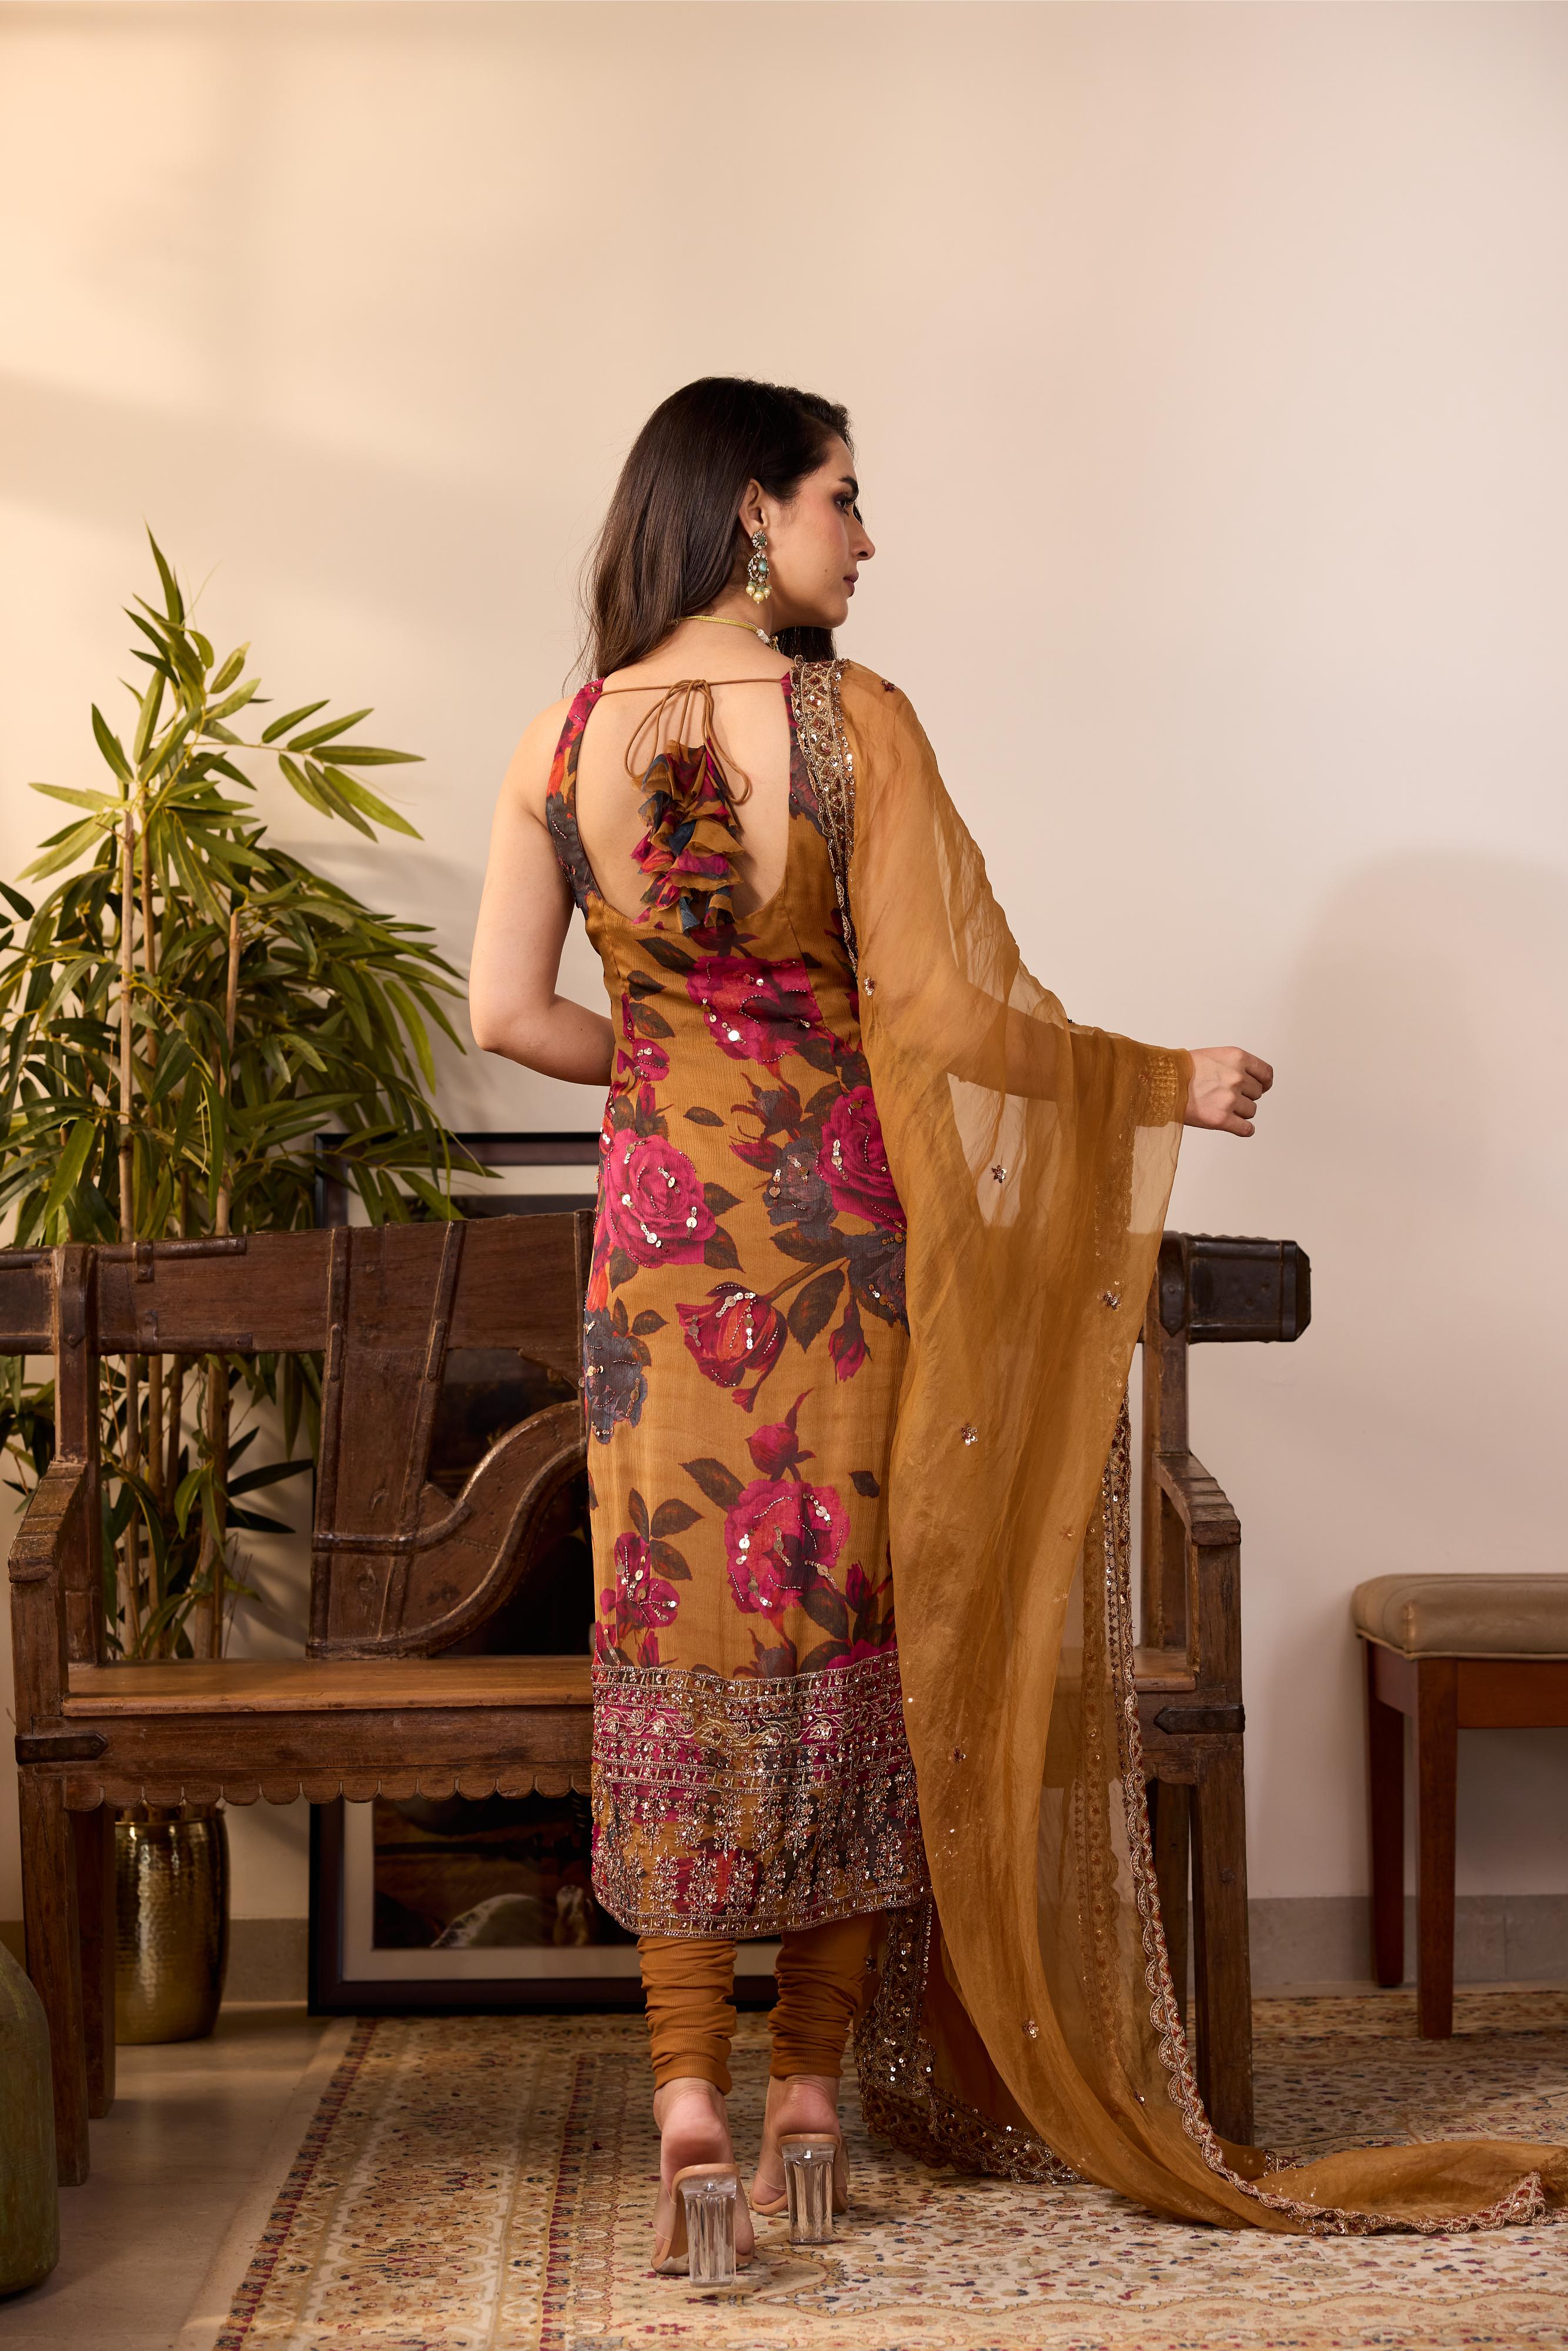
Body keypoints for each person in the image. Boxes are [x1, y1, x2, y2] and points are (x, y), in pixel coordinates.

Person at [470, 377, 1564, 2265]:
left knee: (677, 1634)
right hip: (841, 1250)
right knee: (863, 1629)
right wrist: (1156, 1079)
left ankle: (686, 2104)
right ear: (751, 511)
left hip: (658, 1260)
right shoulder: (851, 725)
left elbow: (506, 1017)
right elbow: (945, 1018)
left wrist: (666, 1070)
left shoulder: (558, 738)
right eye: (842, 498)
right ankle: (810, 2090)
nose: (864, 538)